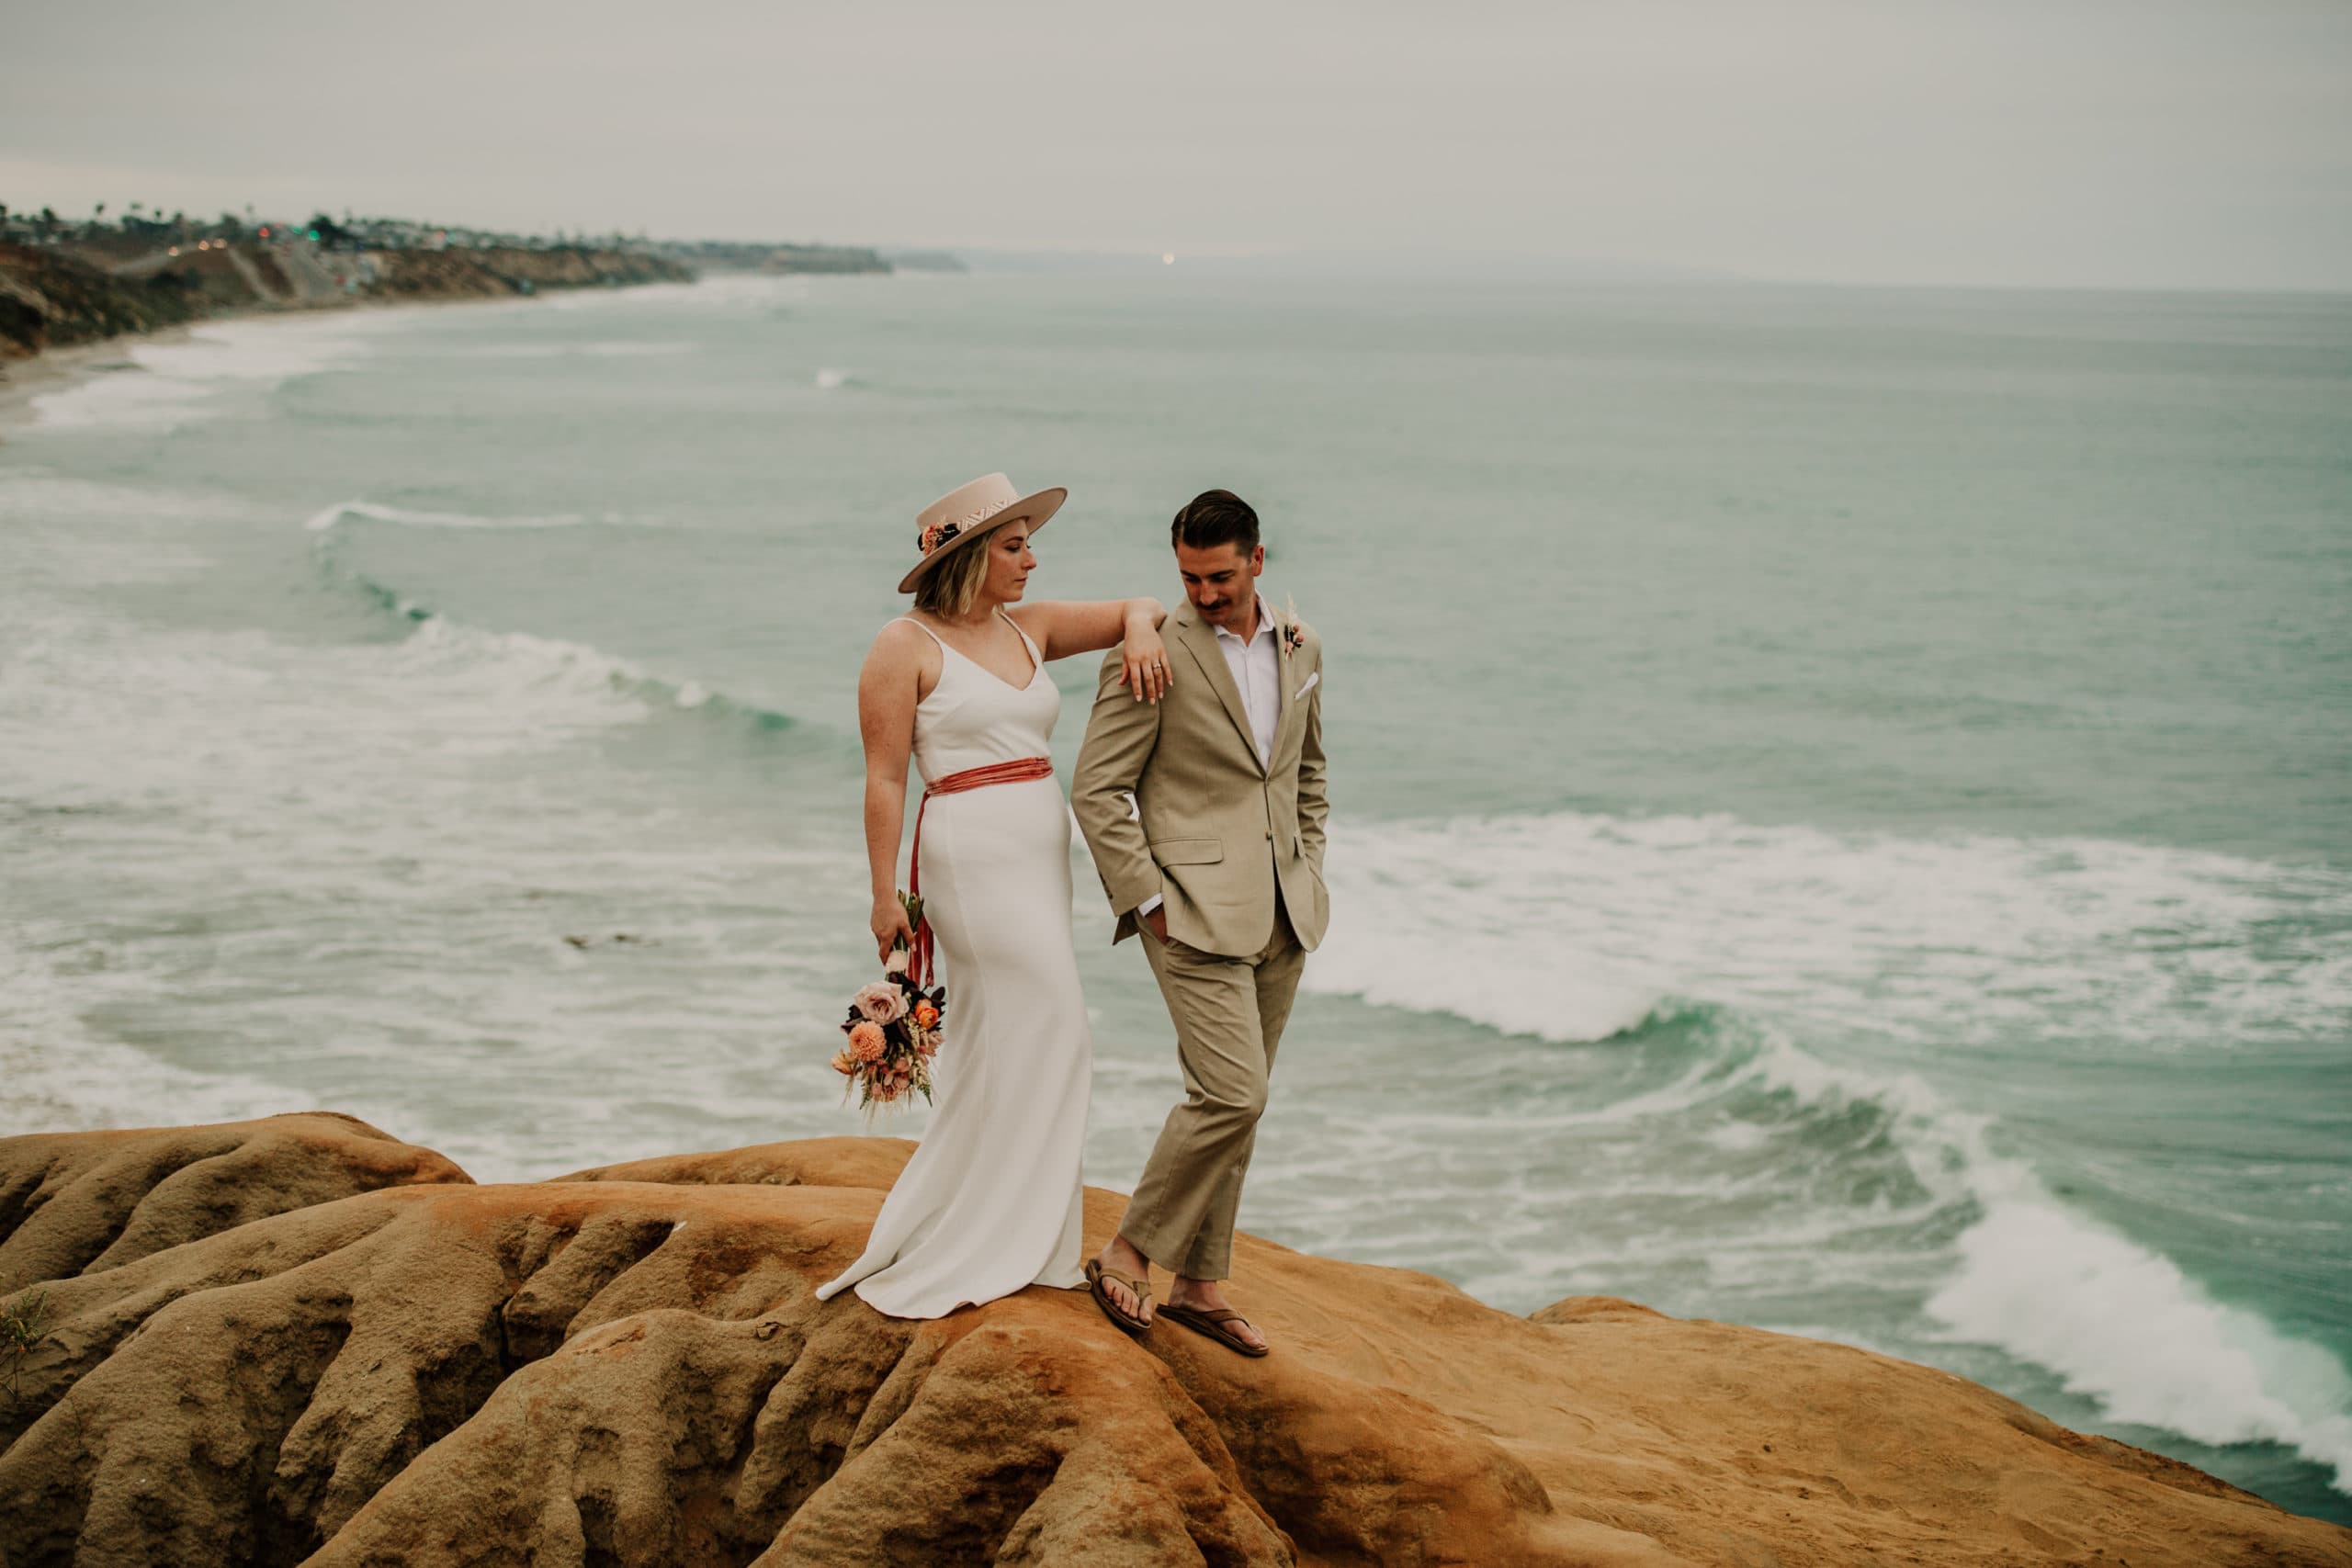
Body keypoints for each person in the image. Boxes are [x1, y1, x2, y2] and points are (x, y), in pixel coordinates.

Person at [814, 473, 1172, 1318]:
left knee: (1001, 1040)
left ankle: (1015, 1233)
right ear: (972, 555)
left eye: (1028, 544)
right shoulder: (903, 644)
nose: (1030, 560)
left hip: (1040, 856)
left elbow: (1146, 604)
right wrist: (883, 895)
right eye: (1014, 546)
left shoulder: (1030, 627)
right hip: (968, 858)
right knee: (1057, 1027)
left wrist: (1139, 632)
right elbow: (884, 778)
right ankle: (996, 1237)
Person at [1071, 489, 1329, 1356]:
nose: (1206, 594)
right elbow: (1096, 789)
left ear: (1258, 560)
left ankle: (1199, 1284)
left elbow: (1306, 772)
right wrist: (1150, 903)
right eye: (1190, 578)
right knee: (1232, 1092)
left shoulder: (1302, 645)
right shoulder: (1152, 653)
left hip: (1284, 910)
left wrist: (1309, 867)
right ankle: (1127, 1251)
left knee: (1241, 1107)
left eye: (1221, 577)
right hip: (1188, 914)